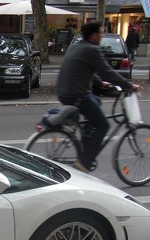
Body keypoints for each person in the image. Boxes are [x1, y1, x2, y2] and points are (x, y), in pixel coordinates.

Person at [57, 21, 140, 173]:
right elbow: (107, 71)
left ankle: (87, 137)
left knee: (96, 101)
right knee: (103, 125)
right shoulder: (92, 50)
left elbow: (84, 69)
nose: (101, 36)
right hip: (77, 94)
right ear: (94, 35)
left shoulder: (77, 46)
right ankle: (84, 162)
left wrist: (100, 83)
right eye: (101, 33)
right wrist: (128, 86)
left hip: (64, 92)